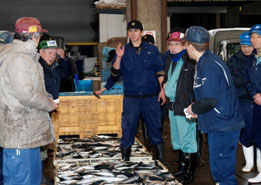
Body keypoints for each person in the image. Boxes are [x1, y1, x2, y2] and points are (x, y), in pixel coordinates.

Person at [0, 17, 57, 185]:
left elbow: (27, 88)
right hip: (19, 133)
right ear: (34, 36)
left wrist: (45, 95)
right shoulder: (17, 58)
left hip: (29, 134)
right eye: (39, 35)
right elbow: (25, 94)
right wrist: (48, 104)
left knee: (32, 179)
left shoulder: (24, 56)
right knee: (20, 179)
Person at [185, 26, 244, 185]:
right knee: (220, 172)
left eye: (185, 44)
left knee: (223, 174)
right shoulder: (205, 61)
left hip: (223, 125)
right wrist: (200, 110)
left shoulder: (208, 65)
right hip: (220, 123)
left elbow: (210, 101)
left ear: (190, 45)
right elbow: (212, 96)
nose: (185, 48)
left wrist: (194, 108)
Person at [111, 20, 166, 162]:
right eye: (130, 31)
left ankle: (159, 159)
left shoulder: (152, 50)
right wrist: (118, 57)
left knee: (155, 127)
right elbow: (115, 73)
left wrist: (162, 89)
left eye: (135, 31)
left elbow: (160, 71)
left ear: (141, 32)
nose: (133, 33)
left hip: (151, 96)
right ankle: (126, 158)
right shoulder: (123, 50)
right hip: (131, 98)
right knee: (128, 128)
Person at [162, 28, 197, 184]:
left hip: (185, 106)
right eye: (171, 44)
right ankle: (182, 167)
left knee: (188, 138)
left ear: (185, 45)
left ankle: (189, 171)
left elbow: (195, 85)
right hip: (173, 105)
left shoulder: (190, 61)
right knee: (177, 139)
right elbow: (167, 80)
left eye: (177, 44)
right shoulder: (171, 60)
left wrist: (194, 105)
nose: (173, 47)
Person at [227, 32, 255, 173]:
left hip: (257, 101)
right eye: (244, 46)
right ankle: (249, 162)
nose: (246, 49)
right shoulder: (233, 60)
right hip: (243, 101)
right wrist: (249, 79)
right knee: (246, 132)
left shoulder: (258, 58)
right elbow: (232, 81)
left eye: (249, 46)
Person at [246, 24, 261, 184]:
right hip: (257, 103)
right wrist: (254, 94)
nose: (254, 40)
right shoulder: (251, 59)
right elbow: (247, 80)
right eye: (252, 37)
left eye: (258, 36)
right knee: (259, 137)